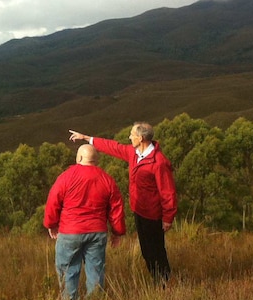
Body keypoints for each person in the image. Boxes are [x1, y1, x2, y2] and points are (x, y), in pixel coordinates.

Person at [69, 122, 177, 285]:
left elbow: (168, 192)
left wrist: (168, 217)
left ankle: (165, 282)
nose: (129, 137)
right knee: (146, 251)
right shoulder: (134, 153)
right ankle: (158, 281)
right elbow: (113, 146)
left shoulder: (159, 162)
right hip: (139, 211)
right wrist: (87, 138)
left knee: (156, 251)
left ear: (140, 138)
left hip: (153, 215)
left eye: (132, 135)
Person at [44, 144, 126, 300]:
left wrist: (51, 224)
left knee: (67, 271)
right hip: (97, 232)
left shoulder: (66, 177)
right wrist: (117, 232)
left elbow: (53, 202)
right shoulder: (107, 179)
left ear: (79, 158)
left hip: (70, 231)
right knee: (96, 271)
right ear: (96, 160)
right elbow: (116, 209)